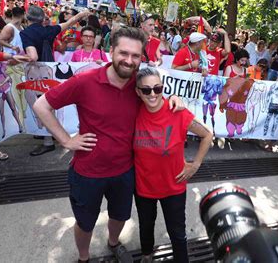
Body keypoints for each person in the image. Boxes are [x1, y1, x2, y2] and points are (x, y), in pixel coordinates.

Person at [32, 26, 184, 262]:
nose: (129, 60)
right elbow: (41, 106)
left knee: (120, 216)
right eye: (124, 53)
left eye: (135, 55)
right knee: (85, 223)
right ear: (111, 51)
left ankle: (113, 243)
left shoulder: (139, 85)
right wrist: (66, 140)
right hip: (88, 172)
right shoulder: (85, 81)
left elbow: (157, 99)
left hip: (125, 172)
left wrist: (174, 98)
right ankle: (83, 257)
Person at [133, 67, 213, 262]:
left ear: (162, 88)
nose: (152, 94)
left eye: (157, 88)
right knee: (145, 225)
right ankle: (146, 255)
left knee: (177, 232)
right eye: (146, 90)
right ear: (138, 92)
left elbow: (207, 134)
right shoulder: (133, 110)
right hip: (143, 187)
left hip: (173, 186)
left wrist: (195, 165)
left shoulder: (177, 111)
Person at [21, 5, 89, 156]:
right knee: (50, 104)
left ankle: (48, 141)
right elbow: (70, 22)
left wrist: (16, 58)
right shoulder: (49, 30)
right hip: (49, 71)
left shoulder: (26, 33)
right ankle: (49, 135)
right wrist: (82, 14)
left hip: (35, 74)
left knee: (41, 106)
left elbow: (32, 56)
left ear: (27, 17)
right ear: (41, 18)